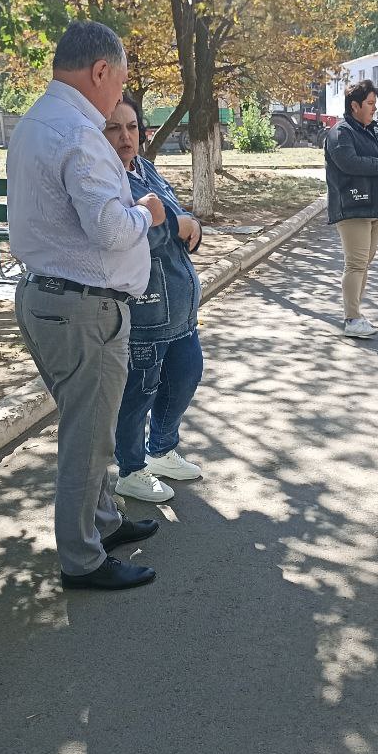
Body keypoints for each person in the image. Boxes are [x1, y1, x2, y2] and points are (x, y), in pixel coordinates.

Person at [7, 21, 167, 592]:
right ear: (101, 72)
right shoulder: (78, 132)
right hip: (83, 309)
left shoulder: (36, 122)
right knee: (88, 438)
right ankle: (82, 558)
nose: (116, 98)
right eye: (119, 82)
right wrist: (148, 212)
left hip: (52, 301)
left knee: (91, 425)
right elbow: (108, 227)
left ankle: (102, 523)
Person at [102, 95, 206, 505]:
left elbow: (175, 219)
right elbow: (125, 237)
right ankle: (130, 470)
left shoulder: (144, 168)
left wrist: (189, 225)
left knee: (185, 376)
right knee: (138, 393)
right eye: (114, 128)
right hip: (147, 309)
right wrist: (178, 226)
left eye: (131, 127)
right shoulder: (109, 180)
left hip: (179, 307)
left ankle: (160, 450)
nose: (125, 136)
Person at [324, 79, 378, 338]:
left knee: (364, 263)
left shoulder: (373, 131)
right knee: (356, 263)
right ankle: (352, 318)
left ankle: (356, 312)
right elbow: (348, 162)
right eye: (370, 103)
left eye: (375, 104)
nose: (374, 109)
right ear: (354, 105)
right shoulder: (340, 132)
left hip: (375, 207)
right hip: (352, 206)